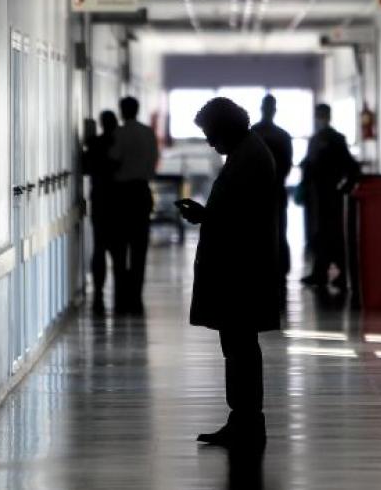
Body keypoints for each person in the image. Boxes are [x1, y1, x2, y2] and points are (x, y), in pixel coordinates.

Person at [176, 97, 279, 450]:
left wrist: (208, 218)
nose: (209, 142)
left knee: (241, 348)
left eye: (211, 134)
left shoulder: (249, 158)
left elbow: (243, 220)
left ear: (227, 128)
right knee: (238, 347)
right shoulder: (245, 153)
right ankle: (242, 420)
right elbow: (236, 213)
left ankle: (247, 422)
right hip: (238, 268)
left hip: (241, 271)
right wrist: (207, 216)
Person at [298, 103, 359, 290]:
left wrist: (345, 188)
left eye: (322, 115)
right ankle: (321, 273)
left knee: (330, 234)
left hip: (329, 195)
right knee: (321, 235)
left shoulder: (332, 139)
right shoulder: (317, 139)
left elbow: (350, 166)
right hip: (321, 195)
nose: (320, 118)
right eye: (319, 115)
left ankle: (335, 274)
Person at [108, 96, 159, 314]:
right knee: (140, 248)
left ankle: (121, 298)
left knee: (120, 249)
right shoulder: (148, 133)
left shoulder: (119, 133)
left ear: (122, 111)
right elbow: (154, 160)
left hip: (121, 196)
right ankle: (136, 297)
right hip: (142, 193)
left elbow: (113, 157)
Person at [250, 94, 293, 306]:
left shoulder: (253, 134)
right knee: (277, 234)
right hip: (275, 193)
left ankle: (261, 276)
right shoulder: (282, 136)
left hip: (256, 195)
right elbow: (287, 167)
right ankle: (279, 277)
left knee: (258, 236)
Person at [81, 110, 119, 315]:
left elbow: (85, 168)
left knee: (99, 248)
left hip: (100, 201)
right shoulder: (120, 143)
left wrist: (88, 142)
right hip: (119, 201)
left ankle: (97, 293)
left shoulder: (95, 143)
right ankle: (122, 294)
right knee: (119, 251)